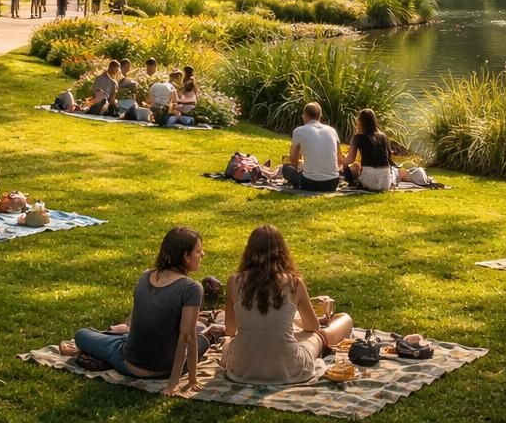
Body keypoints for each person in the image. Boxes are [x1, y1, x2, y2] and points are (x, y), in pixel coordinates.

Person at [73, 226, 208, 396]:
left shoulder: (145, 276)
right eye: (199, 251)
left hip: (128, 364)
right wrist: (179, 382)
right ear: (185, 257)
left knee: (81, 335)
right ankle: (117, 339)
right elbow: (187, 338)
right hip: (163, 369)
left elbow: (140, 318)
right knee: (201, 338)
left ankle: (108, 346)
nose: (202, 255)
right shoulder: (192, 288)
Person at [222, 225, 354, 387]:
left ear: (249, 251)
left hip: (241, 370)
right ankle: (326, 342)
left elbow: (229, 330)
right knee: (337, 323)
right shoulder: (294, 283)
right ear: (282, 251)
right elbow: (312, 326)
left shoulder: (233, 282)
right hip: (288, 370)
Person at [342, 108, 410, 191]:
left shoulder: (358, 137)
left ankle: (351, 182)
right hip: (385, 183)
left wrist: (342, 164)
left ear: (360, 122)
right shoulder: (384, 136)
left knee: (350, 166)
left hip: (368, 184)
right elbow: (388, 158)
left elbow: (350, 159)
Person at [280, 102, 342, 192]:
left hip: (310, 183)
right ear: (320, 116)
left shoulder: (299, 131)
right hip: (333, 183)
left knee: (286, 169)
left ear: (304, 115)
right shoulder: (332, 131)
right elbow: (339, 156)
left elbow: (294, 160)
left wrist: (298, 167)